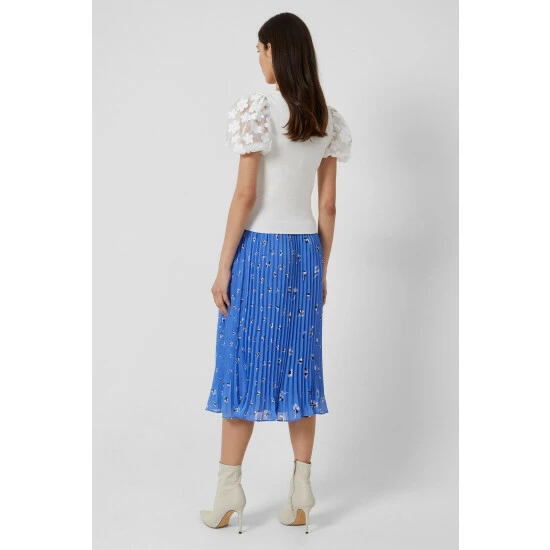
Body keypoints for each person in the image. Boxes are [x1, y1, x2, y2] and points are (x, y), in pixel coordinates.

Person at [200, 12, 352, 534]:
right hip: (305, 253)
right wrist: (321, 269)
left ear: (275, 51)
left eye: (260, 49)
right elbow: (327, 206)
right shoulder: (326, 118)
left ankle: (227, 493)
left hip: (259, 252)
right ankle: (302, 491)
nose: (259, 58)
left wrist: (223, 267)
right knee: (300, 367)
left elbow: (245, 195)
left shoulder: (257, 110)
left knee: (241, 361)